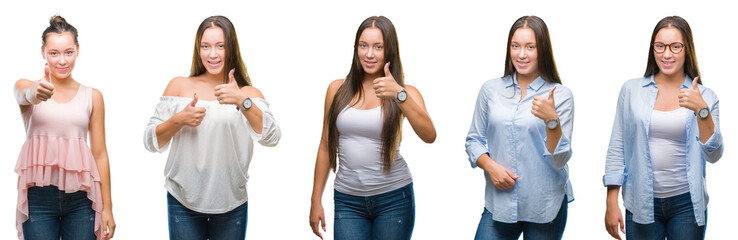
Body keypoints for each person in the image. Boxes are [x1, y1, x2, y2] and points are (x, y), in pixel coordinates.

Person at [143, 15, 280, 240]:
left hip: (231, 203)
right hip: (182, 200)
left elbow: (272, 137)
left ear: (231, 48)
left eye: (220, 46)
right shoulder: (179, 86)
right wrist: (179, 119)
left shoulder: (248, 94)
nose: (212, 54)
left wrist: (242, 101)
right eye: (205, 46)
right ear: (198, 50)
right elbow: (150, 141)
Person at [308, 16, 436, 240]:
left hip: (394, 200)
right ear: (356, 48)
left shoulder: (405, 92)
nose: (369, 54)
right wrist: (315, 200)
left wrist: (399, 95)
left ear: (389, 51)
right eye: (363, 46)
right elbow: (326, 146)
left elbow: (429, 135)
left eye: (378, 47)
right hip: (348, 201)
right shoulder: (336, 89)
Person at [603, 16, 723, 240]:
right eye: (660, 46)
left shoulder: (706, 96)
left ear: (687, 48)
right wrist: (611, 201)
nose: (667, 54)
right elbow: (617, 146)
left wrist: (702, 112)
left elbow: (714, 155)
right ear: (653, 49)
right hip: (641, 201)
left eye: (675, 46)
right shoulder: (631, 90)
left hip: (686, 203)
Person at [464, 15, 574, 240]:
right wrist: (490, 166)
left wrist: (551, 121)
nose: (521, 54)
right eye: (516, 46)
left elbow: (559, 160)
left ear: (542, 50)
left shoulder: (560, 95)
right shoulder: (491, 90)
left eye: (530, 47)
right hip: (500, 203)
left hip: (545, 206)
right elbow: (474, 140)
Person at [13, 15, 116, 240]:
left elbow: (100, 154)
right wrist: (34, 92)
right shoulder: (29, 88)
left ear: (78, 50)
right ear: (43, 53)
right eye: (54, 53)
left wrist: (107, 207)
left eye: (68, 52)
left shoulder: (93, 96)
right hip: (38, 198)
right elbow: (21, 92)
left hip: (81, 199)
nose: (62, 61)